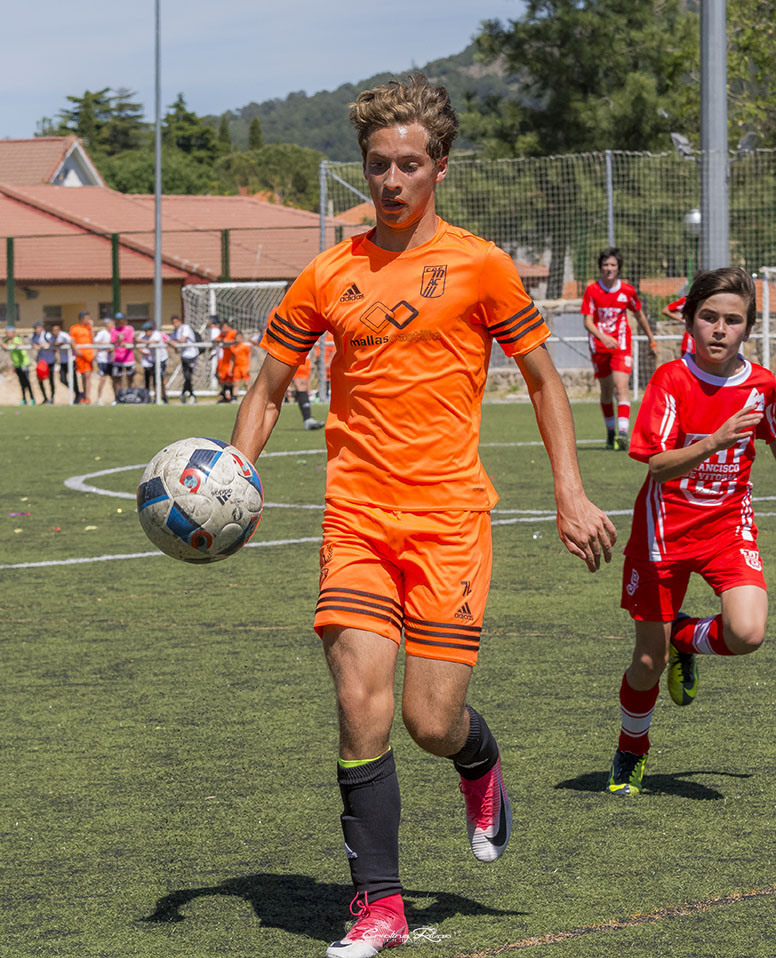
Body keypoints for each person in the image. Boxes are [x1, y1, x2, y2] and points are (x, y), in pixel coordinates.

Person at [231, 75, 616, 957]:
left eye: (409, 163)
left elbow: (543, 379)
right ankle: (379, 905)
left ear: (441, 165)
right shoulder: (328, 272)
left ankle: (477, 760)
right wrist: (237, 475)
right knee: (359, 703)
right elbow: (269, 387)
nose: (392, 179)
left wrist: (569, 490)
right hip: (356, 518)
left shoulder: (481, 265)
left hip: (449, 522)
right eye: (378, 164)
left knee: (430, 722)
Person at [608, 267, 776, 797]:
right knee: (647, 663)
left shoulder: (763, 385)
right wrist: (715, 440)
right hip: (664, 534)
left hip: (728, 528)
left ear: (748, 327)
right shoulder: (671, 380)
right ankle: (632, 749)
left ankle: (685, 636)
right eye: (709, 317)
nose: (720, 329)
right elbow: (657, 465)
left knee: (747, 634)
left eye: (733, 320)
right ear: (690, 322)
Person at [581, 248, 658, 450]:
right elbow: (587, 322)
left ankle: (622, 434)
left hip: (621, 345)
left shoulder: (627, 291)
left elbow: (639, 315)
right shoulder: (592, 290)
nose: (609, 268)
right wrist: (603, 337)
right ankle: (610, 431)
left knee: (621, 388)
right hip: (599, 346)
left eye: (613, 265)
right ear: (600, 267)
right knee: (606, 391)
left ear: (618, 268)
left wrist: (651, 340)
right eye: (605, 265)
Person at [2, 325, 35, 404]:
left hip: (24, 364)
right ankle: (24, 399)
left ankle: (32, 398)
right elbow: (4, 345)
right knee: (21, 383)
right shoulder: (7, 340)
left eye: (8, 333)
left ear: (13, 333)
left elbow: (22, 345)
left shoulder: (17, 339)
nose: (7, 334)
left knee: (26, 382)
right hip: (17, 365)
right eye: (6, 333)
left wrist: (14, 343)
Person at [169, 314, 198, 403]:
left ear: (180, 321)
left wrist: (172, 342)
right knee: (186, 376)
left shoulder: (185, 328)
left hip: (192, 355)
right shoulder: (175, 331)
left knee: (188, 376)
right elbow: (170, 340)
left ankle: (188, 394)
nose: (175, 324)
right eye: (173, 323)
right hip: (184, 355)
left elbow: (182, 340)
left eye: (176, 322)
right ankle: (189, 395)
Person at [137, 321, 169, 401]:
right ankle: (148, 398)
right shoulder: (142, 335)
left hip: (161, 359)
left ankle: (163, 396)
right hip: (151, 360)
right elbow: (137, 344)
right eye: (145, 330)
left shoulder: (157, 334)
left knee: (160, 379)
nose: (146, 332)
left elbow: (154, 342)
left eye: (148, 330)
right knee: (149, 379)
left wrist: (140, 341)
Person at [69, 310, 95, 404]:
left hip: (88, 355)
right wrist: (76, 350)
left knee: (87, 376)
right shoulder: (75, 328)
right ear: (81, 319)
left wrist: (91, 328)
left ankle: (87, 397)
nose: (88, 320)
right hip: (80, 356)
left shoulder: (89, 328)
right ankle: (83, 396)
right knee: (83, 376)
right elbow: (72, 340)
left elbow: (93, 340)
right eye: (87, 318)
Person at [31, 320, 56, 403]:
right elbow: (32, 343)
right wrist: (34, 345)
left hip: (50, 360)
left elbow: (53, 343)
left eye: (38, 327)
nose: (36, 330)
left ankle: (52, 398)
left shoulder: (47, 335)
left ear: (42, 328)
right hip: (41, 361)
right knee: (40, 379)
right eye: (35, 328)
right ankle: (45, 398)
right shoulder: (34, 336)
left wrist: (44, 344)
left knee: (51, 380)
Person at [110, 312, 136, 395]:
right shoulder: (113, 330)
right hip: (117, 359)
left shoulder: (129, 328)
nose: (120, 322)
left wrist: (125, 343)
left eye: (121, 320)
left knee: (130, 378)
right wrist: (118, 340)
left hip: (129, 358)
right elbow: (112, 341)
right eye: (118, 320)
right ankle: (118, 397)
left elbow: (132, 341)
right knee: (117, 379)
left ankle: (131, 396)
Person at [93, 317, 115, 405]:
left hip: (110, 360)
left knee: (114, 379)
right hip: (102, 359)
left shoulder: (113, 333)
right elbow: (95, 342)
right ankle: (99, 398)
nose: (113, 325)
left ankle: (116, 398)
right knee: (102, 379)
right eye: (111, 323)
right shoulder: (102, 333)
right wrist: (106, 345)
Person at [215, 318, 237, 402]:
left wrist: (224, 341)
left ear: (229, 326)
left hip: (233, 358)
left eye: (225, 327)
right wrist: (222, 340)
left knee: (231, 378)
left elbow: (236, 340)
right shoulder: (223, 334)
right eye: (222, 327)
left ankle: (232, 396)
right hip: (225, 359)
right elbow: (216, 339)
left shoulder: (233, 332)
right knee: (222, 377)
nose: (223, 329)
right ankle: (226, 395)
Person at [228, 329, 252, 399]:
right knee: (236, 383)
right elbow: (232, 359)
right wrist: (230, 369)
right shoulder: (232, 347)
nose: (238, 339)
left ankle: (250, 396)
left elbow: (249, 356)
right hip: (237, 367)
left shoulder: (245, 346)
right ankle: (234, 397)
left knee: (246, 383)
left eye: (239, 337)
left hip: (244, 366)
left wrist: (249, 367)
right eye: (237, 337)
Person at [51, 322, 73, 397]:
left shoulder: (64, 335)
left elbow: (72, 341)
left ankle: (78, 395)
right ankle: (74, 390)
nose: (55, 332)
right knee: (62, 379)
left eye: (56, 330)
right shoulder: (52, 337)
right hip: (63, 361)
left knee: (73, 379)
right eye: (54, 330)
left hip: (70, 360)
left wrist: (61, 344)